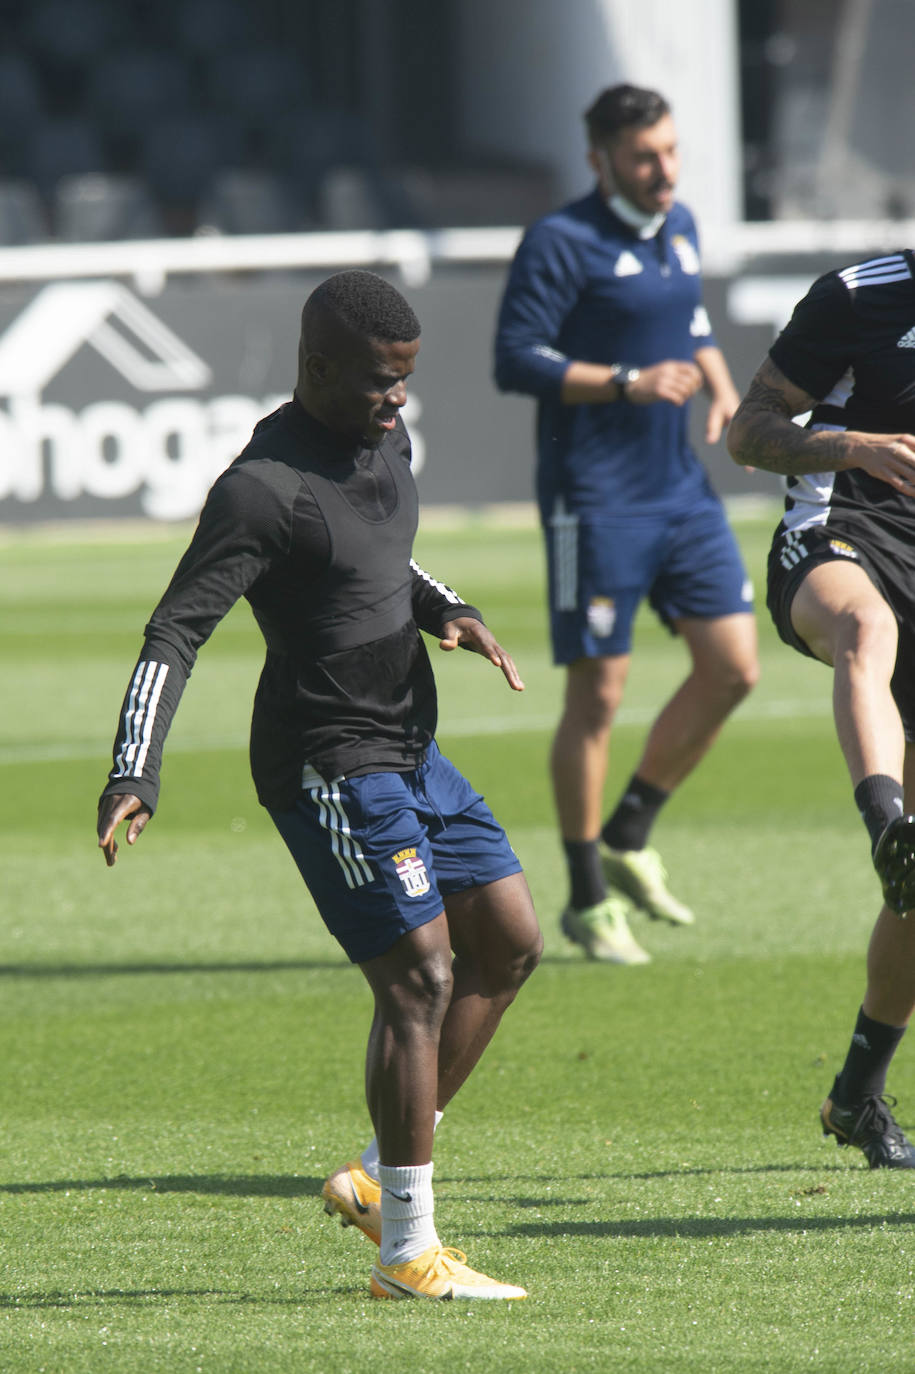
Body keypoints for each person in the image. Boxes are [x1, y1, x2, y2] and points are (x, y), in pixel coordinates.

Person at [97, 269, 543, 1296]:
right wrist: (135, 767)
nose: (399, 401)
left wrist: (450, 612)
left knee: (510, 942)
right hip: (328, 761)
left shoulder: (389, 438)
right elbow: (176, 629)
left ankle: (382, 1180)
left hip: (411, 744)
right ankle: (407, 1256)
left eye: (408, 381)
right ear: (320, 368)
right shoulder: (261, 490)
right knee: (420, 977)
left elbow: (386, 562)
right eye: (384, 382)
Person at [493, 83, 758, 965]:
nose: (664, 170)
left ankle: (629, 827)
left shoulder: (675, 227)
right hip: (594, 497)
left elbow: (689, 321)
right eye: (645, 156)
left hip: (679, 489)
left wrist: (719, 384)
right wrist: (624, 382)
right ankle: (584, 896)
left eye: (671, 152)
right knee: (597, 697)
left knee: (733, 667)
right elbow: (515, 358)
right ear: (599, 158)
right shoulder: (559, 242)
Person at [727, 251, 915, 1169]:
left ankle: (855, 1097)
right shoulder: (859, 295)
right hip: (836, 534)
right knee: (865, 628)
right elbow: (746, 431)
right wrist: (859, 448)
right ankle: (885, 817)